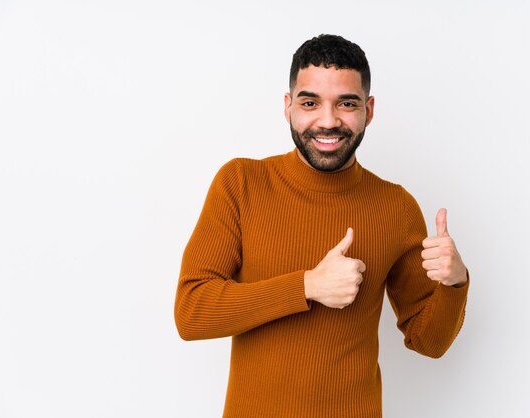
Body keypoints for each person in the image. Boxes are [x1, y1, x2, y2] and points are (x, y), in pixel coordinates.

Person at [174, 34, 469, 418]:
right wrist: (307, 286)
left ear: (369, 109)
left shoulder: (396, 206)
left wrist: (455, 282)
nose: (328, 122)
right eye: (310, 102)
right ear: (287, 106)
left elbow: (429, 342)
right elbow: (191, 312)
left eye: (346, 104)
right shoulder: (241, 183)